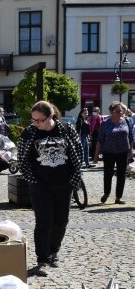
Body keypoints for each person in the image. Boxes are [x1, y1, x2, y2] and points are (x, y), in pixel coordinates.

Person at [17, 101, 82, 276]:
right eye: (34, 120)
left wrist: (72, 181)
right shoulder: (29, 133)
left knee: (61, 221)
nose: (36, 123)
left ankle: (54, 251)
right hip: (40, 185)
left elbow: (79, 152)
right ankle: (42, 258)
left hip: (64, 184)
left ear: (51, 116)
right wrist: (32, 180)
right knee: (43, 222)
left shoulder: (67, 129)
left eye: (40, 120)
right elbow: (22, 159)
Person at [94, 101, 135, 204]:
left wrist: (130, 150)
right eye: (118, 111)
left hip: (123, 152)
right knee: (108, 174)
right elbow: (99, 140)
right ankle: (106, 193)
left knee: (121, 175)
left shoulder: (127, 121)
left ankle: (118, 197)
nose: (121, 113)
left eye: (121, 111)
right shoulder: (105, 124)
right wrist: (96, 155)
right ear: (112, 112)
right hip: (108, 153)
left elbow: (130, 137)